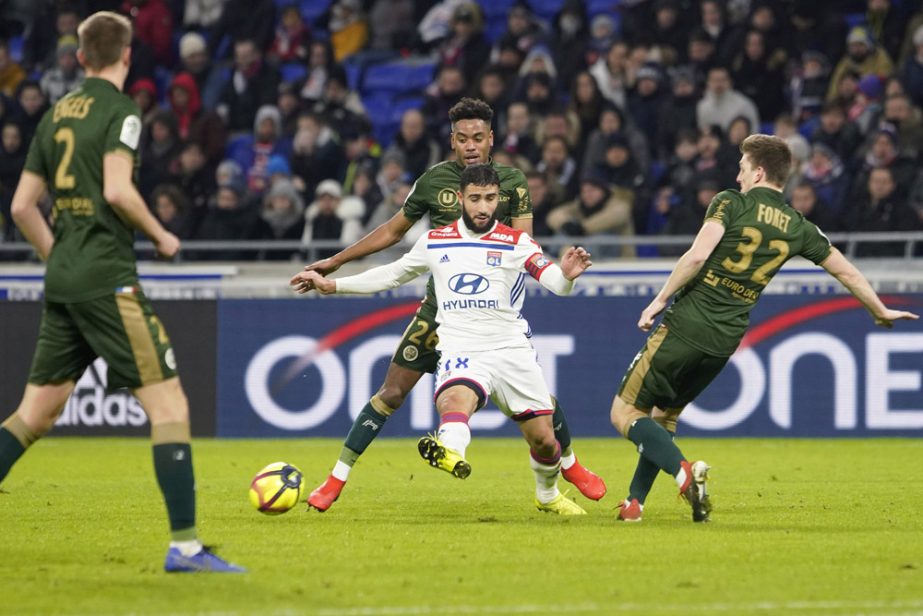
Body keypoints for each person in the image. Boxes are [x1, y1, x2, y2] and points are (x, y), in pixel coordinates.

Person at [0, 12, 244, 572]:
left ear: (80, 56)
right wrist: (161, 235)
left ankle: (186, 546)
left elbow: (19, 207)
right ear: (127, 56)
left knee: (34, 415)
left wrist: (57, 258)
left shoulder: (53, 114)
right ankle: (185, 546)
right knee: (169, 404)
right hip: (106, 278)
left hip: (63, 279)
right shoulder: (120, 111)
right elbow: (117, 188)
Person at [299, 97, 606, 512]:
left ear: (491, 139)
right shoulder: (433, 195)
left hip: (499, 317)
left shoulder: (513, 188)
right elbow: (392, 245)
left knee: (542, 415)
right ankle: (339, 478)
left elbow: (529, 251)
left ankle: (564, 468)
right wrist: (334, 270)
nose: (471, 145)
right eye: (462, 139)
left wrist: (557, 276)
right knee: (396, 394)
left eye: (478, 137)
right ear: (453, 146)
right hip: (442, 315)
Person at [608, 134, 918, 523]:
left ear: (757, 172)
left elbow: (698, 255)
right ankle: (635, 504)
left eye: (741, 169)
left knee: (624, 412)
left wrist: (659, 299)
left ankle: (683, 473)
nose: (737, 177)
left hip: (687, 323)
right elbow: (845, 269)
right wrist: (879, 309)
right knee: (664, 418)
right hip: (725, 340)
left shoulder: (730, 203)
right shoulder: (798, 226)